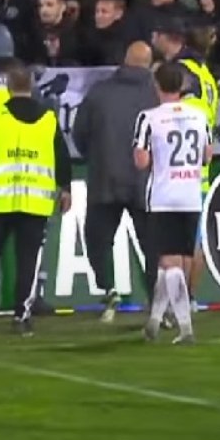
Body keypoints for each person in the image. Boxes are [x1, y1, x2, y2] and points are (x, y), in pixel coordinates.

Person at [0, 63, 72, 336]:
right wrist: (65, 188)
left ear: (8, 88)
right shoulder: (48, 119)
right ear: (32, 88)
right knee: (29, 260)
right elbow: (62, 157)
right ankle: (21, 314)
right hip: (35, 203)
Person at [73, 41, 158, 321]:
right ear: (149, 64)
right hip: (146, 183)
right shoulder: (156, 95)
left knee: (97, 239)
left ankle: (109, 289)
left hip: (105, 179)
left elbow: (79, 134)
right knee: (153, 246)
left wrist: (96, 158)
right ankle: (157, 301)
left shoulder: (99, 92)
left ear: (125, 59)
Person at [137, 62, 212, 344]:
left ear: (157, 86)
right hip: (191, 194)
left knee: (169, 264)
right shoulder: (200, 115)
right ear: (182, 86)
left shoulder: (149, 118)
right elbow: (207, 155)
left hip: (164, 195)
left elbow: (141, 160)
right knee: (176, 262)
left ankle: (185, 327)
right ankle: (154, 322)